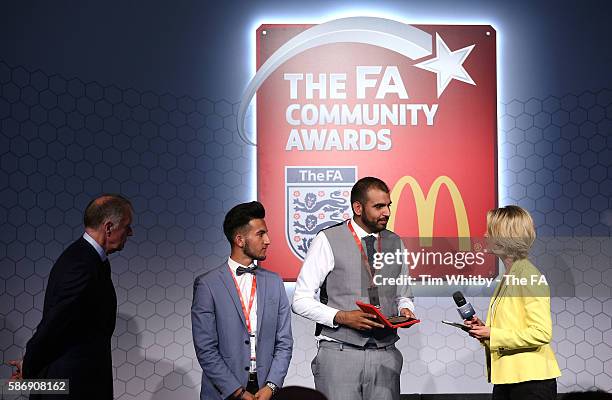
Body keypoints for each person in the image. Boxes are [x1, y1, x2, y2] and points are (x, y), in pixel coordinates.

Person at [292, 177, 415, 400]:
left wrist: (406, 309)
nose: (386, 212)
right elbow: (300, 300)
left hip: (385, 354)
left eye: (388, 205)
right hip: (339, 353)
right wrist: (342, 317)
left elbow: (403, 294)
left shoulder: (396, 242)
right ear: (357, 208)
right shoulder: (328, 239)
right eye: (378, 206)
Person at [8, 194, 133, 399]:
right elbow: (53, 323)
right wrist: (29, 368)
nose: (131, 232)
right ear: (108, 227)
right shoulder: (81, 265)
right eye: (127, 226)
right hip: (70, 386)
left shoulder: (92, 260)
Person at [191, 201, 292, 400]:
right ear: (240, 239)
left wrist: (271, 386)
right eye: (260, 234)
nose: (268, 240)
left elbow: (284, 342)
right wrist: (236, 391)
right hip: (224, 392)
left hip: (265, 390)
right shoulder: (207, 284)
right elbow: (205, 348)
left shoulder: (274, 282)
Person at [465, 205, 561, 400]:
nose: (484, 235)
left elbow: (541, 333)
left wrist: (493, 333)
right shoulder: (510, 276)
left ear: (504, 237)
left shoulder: (529, 276)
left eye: (490, 231)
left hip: (531, 382)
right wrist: (485, 331)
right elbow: (512, 326)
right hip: (509, 380)